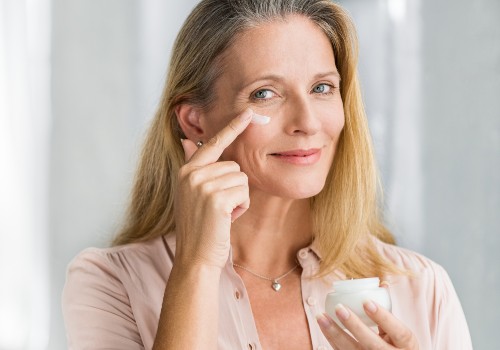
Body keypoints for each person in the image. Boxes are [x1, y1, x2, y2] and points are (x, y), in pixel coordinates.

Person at [62, 0, 473, 349]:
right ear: (194, 121)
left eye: (322, 88)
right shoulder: (111, 284)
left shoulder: (422, 288)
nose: (307, 122)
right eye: (265, 93)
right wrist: (198, 266)